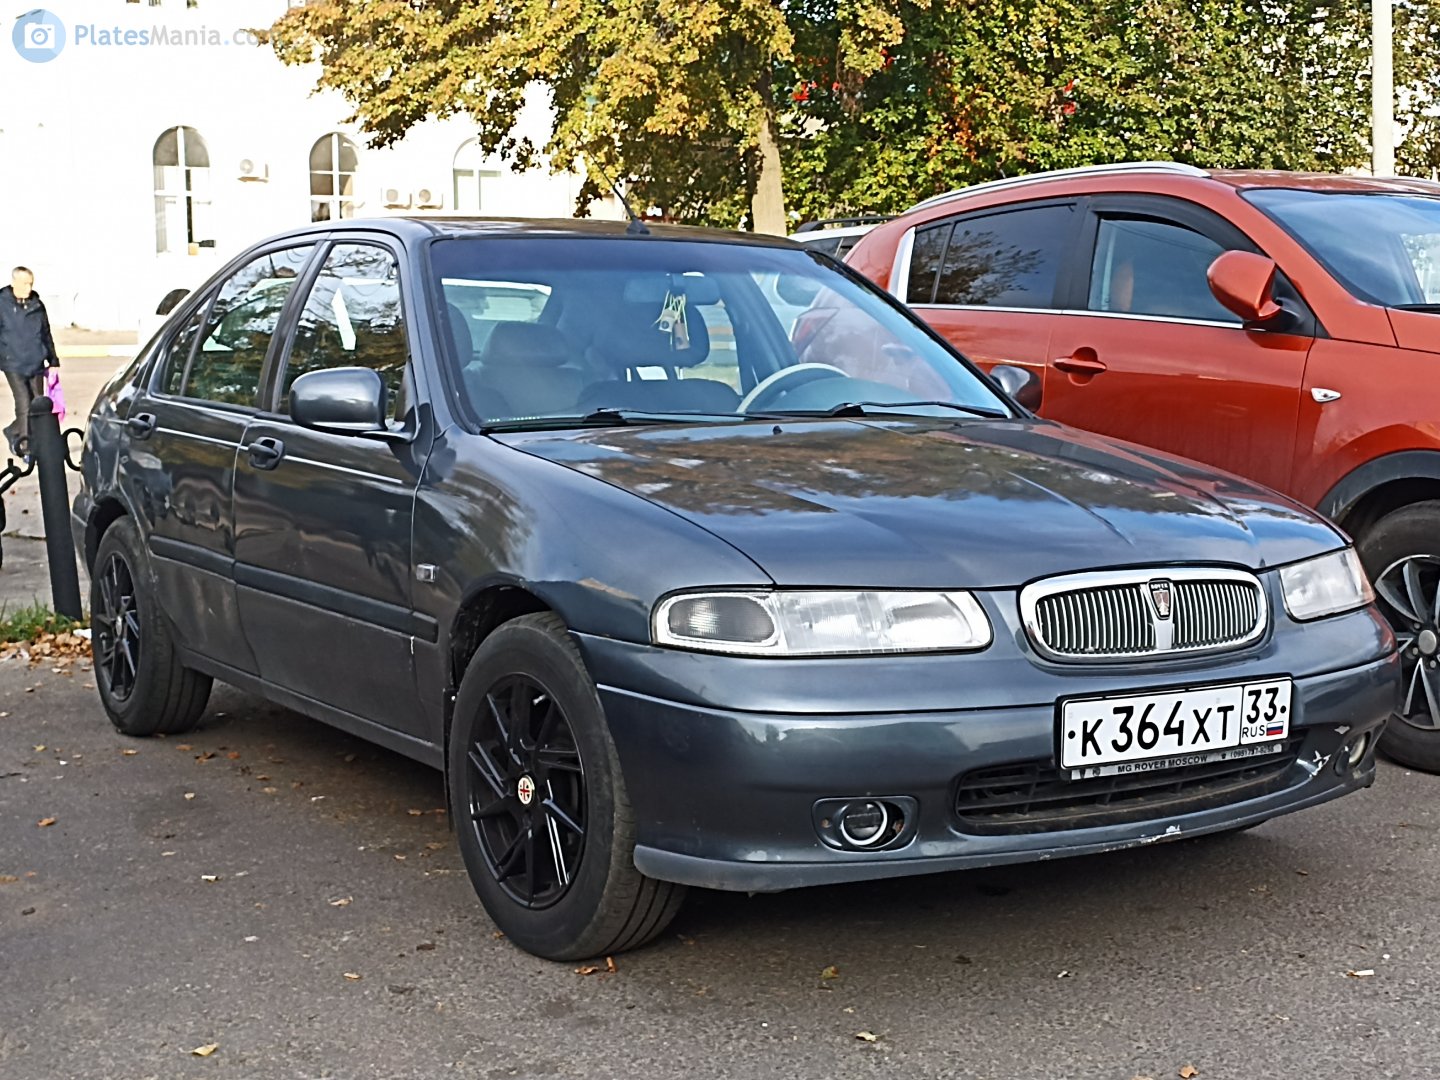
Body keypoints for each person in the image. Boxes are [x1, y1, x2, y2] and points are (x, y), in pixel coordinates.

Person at [0, 266, 59, 459]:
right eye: (25, 283)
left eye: (31, 283)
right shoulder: (2, 303)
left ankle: (13, 430)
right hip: (13, 363)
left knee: (38, 404)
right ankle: (26, 446)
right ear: (13, 282)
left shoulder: (37, 305)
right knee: (24, 402)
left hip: (35, 361)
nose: (28, 287)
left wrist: (52, 358)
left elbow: (46, 332)